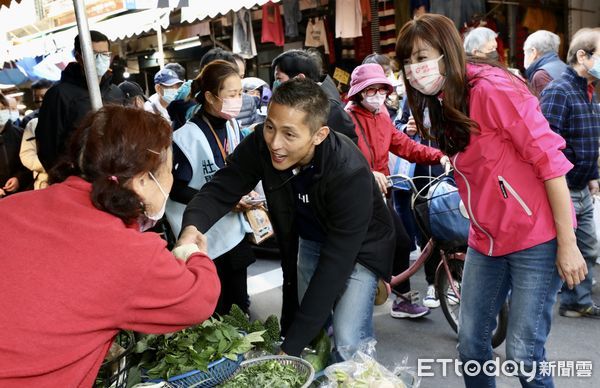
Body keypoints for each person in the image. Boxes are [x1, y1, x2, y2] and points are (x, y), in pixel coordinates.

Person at [396, 14, 587, 387]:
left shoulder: (492, 88)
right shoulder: (442, 100)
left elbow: (551, 163)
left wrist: (567, 244)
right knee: (470, 345)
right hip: (485, 238)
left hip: (536, 237)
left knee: (523, 353)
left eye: (422, 57)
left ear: (447, 53)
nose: (414, 69)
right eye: (407, 61)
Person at [0, 105, 220, 386]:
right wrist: (191, 250)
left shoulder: (11, 206)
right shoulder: (129, 254)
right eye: (169, 170)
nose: (171, 179)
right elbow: (198, 300)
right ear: (142, 180)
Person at [180, 78, 395, 359]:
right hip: (310, 237)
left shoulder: (347, 171)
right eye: (270, 127)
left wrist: (288, 350)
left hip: (357, 248)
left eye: (289, 135)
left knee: (347, 337)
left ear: (319, 135)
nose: (275, 143)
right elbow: (225, 184)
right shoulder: (262, 142)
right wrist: (192, 226)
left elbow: (333, 268)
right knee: (312, 328)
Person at [345, 63, 447, 318]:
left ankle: (401, 299)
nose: (378, 94)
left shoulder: (382, 116)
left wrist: (441, 156)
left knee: (400, 243)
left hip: (381, 195)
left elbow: (406, 146)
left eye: (382, 89)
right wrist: (368, 173)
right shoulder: (345, 118)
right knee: (353, 253)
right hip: (353, 196)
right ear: (358, 92)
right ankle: (338, 308)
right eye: (371, 90)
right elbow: (341, 157)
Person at [165, 60, 255, 315]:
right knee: (215, 310)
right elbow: (175, 190)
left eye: (240, 93)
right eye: (232, 94)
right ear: (210, 97)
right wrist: (225, 200)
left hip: (235, 234)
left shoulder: (233, 125)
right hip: (204, 239)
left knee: (240, 305)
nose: (238, 100)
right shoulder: (184, 138)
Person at [540, 28, 600, 319]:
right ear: (582, 56)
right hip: (563, 188)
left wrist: (592, 175)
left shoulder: (589, 92)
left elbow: (586, 138)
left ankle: (578, 300)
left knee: (588, 247)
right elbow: (547, 146)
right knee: (563, 251)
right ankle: (550, 303)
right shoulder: (558, 90)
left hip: (582, 188)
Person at [36, 30, 124, 172]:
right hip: (76, 177)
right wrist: (64, 177)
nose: (100, 59)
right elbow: (48, 146)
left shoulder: (115, 92)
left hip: (112, 175)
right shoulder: (59, 95)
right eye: (94, 54)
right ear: (79, 57)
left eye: (105, 54)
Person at [272, 49, 358, 143]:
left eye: (279, 78)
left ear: (300, 79)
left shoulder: (330, 110)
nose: (276, 84)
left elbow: (343, 150)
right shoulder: (298, 103)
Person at [0, 93, 32, 197]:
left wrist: (19, 179)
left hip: (20, 195)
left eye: (2, 108)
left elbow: (29, 164)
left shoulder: (21, 134)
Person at [523, 30, 568, 97]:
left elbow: (543, 106)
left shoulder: (541, 75)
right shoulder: (566, 67)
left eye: (525, 52)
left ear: (534, 52)